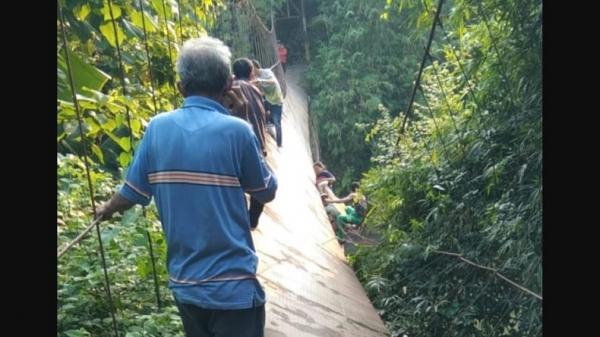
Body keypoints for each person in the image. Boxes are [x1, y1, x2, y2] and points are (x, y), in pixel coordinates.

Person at [94, 36, 277, 337]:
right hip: (233, 289)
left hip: (186, 288)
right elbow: (266, 190)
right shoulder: (238, 131)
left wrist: (105, 210)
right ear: (228, 85)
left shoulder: (157, 128)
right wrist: (245, 123)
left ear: (180, 88)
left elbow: (129, 193)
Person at [232, 58, 269, 156]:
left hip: (242, 147)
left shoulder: (231, 89)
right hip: (258, 146)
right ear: (251, 73)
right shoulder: (256, 91)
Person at [251, 59, 284, 148]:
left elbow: (273, 81)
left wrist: (260, 81)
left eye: (252, 69)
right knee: (263, 115)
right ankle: (267, 127)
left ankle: (279, 145)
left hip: (277, 101)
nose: (251, 71)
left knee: (277, 123)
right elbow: (260, 92)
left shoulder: (267, 72)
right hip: (268, 100)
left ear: (256, 68)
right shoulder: (255, 78)